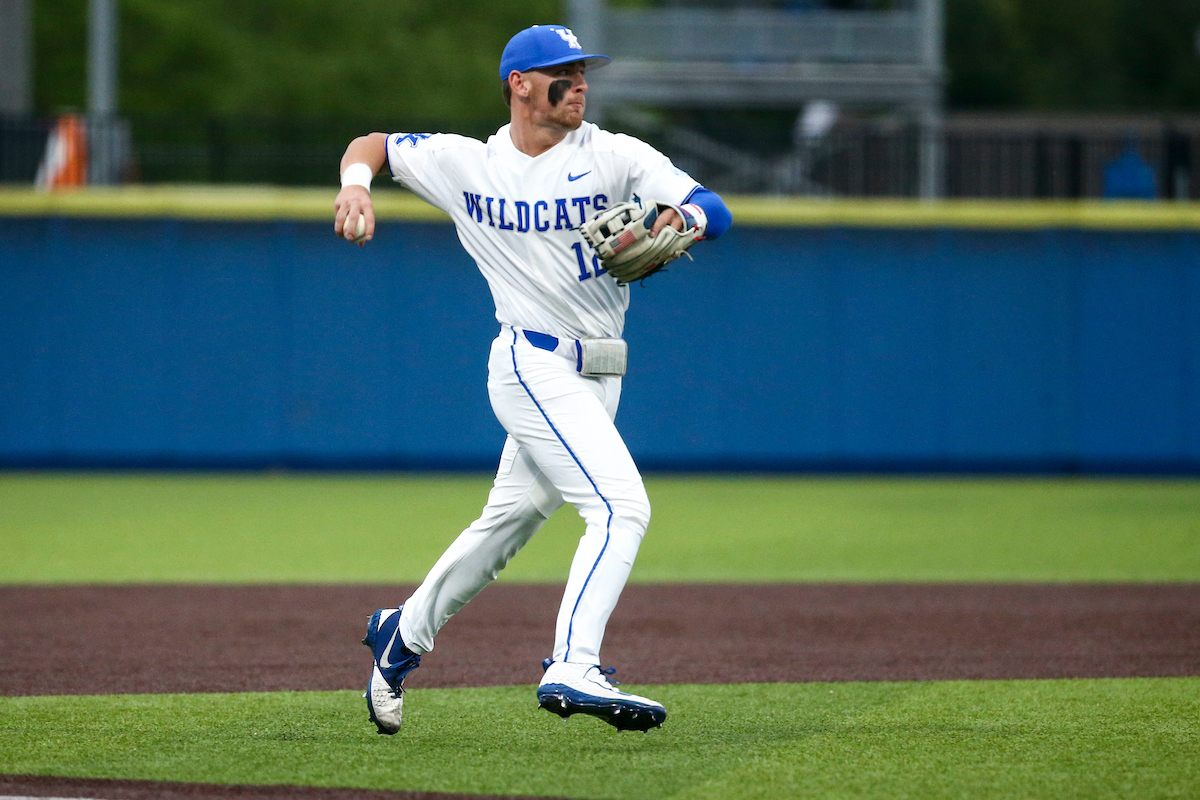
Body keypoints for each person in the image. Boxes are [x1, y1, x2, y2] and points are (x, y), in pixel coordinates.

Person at [333, 23, 732, 735]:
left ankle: (400, 634)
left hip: (601, 372)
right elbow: (373, 144)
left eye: (584, 73)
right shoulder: (466, 163)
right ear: (519, 84)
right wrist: (355, 187)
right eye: (562, 72)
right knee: (620, 507)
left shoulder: (613, 154)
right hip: (529, 361)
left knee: (507, 524)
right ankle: (574, 663)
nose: (579, 84)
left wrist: (686, 219)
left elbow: (714, 205)